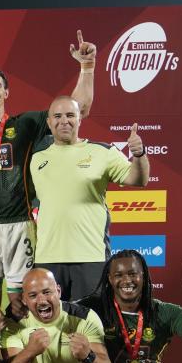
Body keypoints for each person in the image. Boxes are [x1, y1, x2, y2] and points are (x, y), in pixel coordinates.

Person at [0, 32, 97, 315]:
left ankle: (15, 354)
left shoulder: (26, 124)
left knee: (21, 304)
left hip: (20, 224)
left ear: (6, 92)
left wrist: (87, 68)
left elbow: (78, 109)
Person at [30, 97, 150, 300]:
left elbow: (138, 179)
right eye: (57, 116)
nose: (64, 121)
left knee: (91, 326)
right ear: (49, 122)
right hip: (47, 257)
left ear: (79, 119)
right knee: (51, 327)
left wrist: (139, 154)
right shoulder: (36, 159)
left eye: (70, 115)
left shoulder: (102, 152)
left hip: (90, 257)